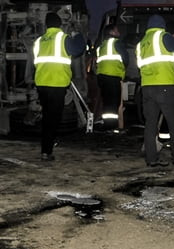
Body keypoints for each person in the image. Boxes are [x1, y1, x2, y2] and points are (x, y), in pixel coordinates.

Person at [136, 15, 174, 167]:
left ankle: (151, 159)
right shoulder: (164, 37)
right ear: (162, 26)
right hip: (164, 86)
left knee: (150, 125)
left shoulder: (141, 43)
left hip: (147, 87)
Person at [31, 11, 86, 161]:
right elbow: (78, 49)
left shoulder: (39, 41)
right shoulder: (63, 38)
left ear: (46, 24)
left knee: (47, 116)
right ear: (60, 24)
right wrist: (77, 34)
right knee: (53, 118)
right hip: (57, 84)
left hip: (42, 83)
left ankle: (46, 147)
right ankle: (46, 150)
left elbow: (35, 62)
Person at [94, 22, 127, 132]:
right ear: (111, 32)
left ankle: (108, 125)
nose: (119, 32)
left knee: (107, 103)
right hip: (113, 77)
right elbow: (126, 59)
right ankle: (113, 127)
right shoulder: (117, 43)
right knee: (114, 103)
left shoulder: (101, 46)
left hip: (102, 77)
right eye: (116, 30)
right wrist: (123, 70)